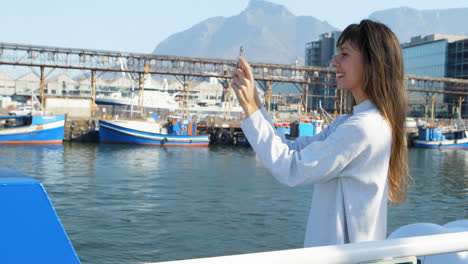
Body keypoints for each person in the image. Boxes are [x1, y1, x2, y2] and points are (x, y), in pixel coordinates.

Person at [232, 19, 409, 247]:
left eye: (344, 54)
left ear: (371, 63)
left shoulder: (362, 128)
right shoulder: (357, 122)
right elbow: (292, 151)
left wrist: (252, 110)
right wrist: (256, 103)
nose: (334, 62)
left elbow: (290, 169)